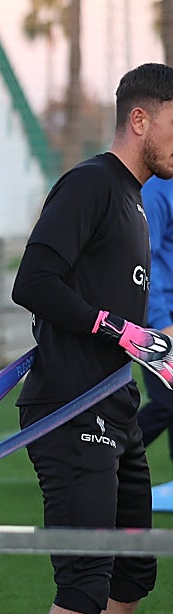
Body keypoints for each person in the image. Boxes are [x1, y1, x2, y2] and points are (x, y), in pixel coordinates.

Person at [0, 63, 173, 614]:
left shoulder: (135, 201)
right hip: (68, 414)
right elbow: (33, 281)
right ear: (142, 119)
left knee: (131, 578)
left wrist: (150, 345)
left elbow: (116, 318)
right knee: (82, 585)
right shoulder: (92, 184)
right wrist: (113, 327)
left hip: (118, 409)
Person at [136, 173, 173, 462]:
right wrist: (162, 323)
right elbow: (144, 258)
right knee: (166, 403)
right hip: (161, 317)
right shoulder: (157, 190)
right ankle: (104, 458)